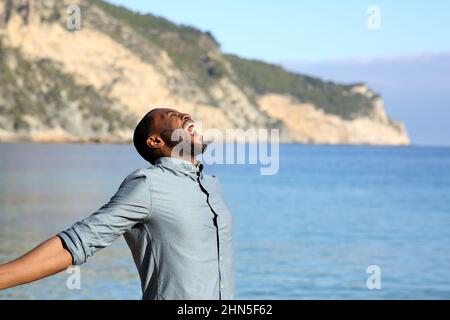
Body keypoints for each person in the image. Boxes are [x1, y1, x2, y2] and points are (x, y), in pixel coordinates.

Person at [0, 108, 234, 300]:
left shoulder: (211, 185)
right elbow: (78, 242)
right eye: (171, 115)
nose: (185, 115)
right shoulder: (148, 185)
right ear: (155, 140)